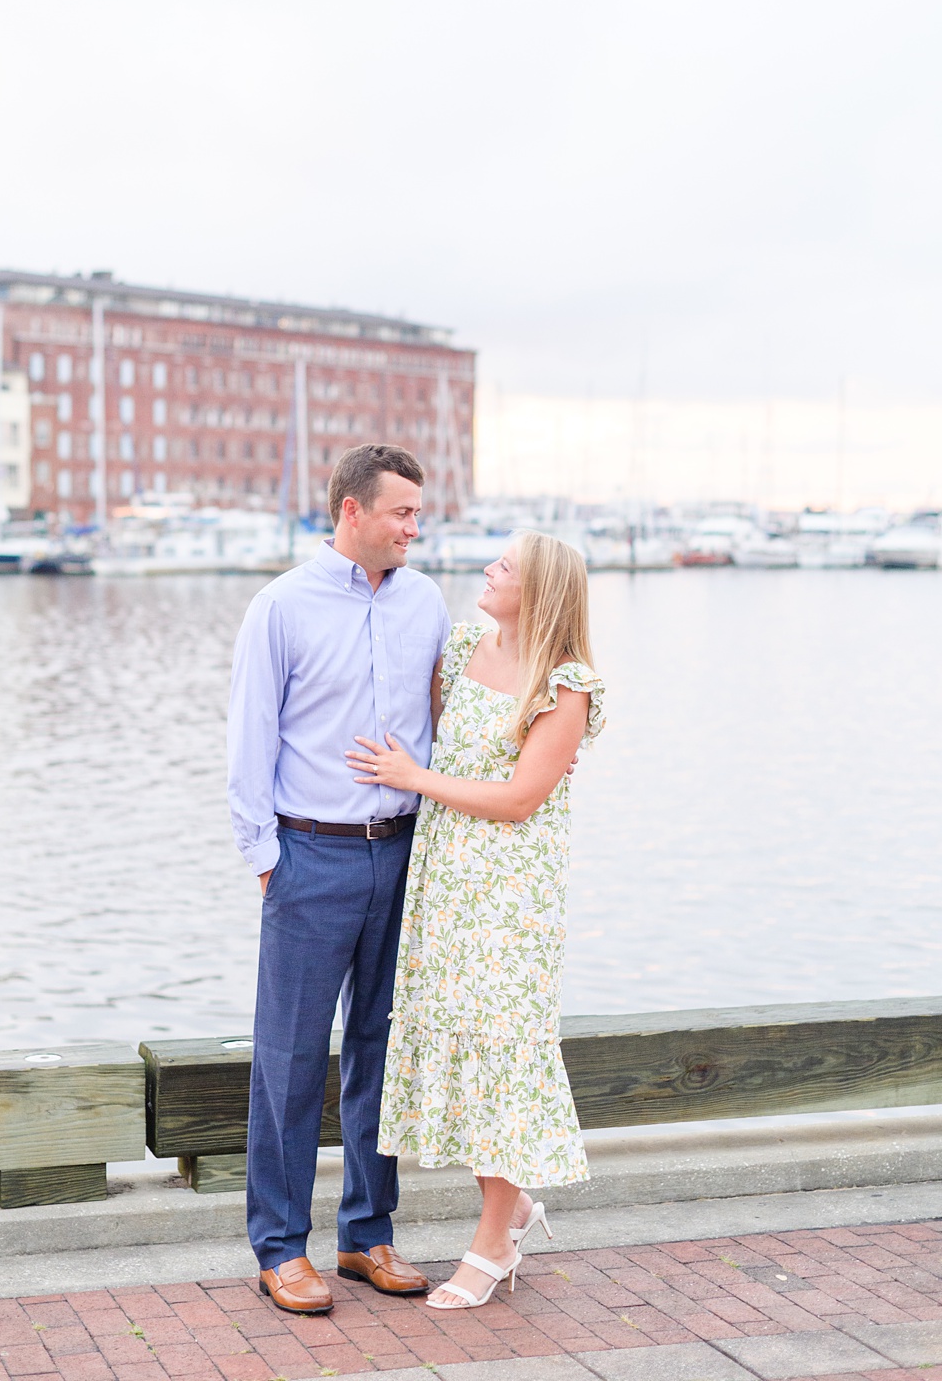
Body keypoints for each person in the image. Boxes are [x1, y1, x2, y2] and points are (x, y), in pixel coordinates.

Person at [348, 529, 605, 1310]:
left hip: (512, 901)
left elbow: (523, 797)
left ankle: (493, 1243)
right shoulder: (462, 650)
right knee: (458, 1042)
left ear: (540, 591)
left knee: (503, 1052)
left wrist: (413, 778)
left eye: (504, 567)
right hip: (445, 886)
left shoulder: (565, 684)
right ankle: (513, 1205)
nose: (487, 573)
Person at [226, 443, 450, 1315]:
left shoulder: (426, 600)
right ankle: (280, 1248)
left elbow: (446, 712)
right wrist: (266, 861)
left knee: (382, 1048)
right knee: (288, 1059)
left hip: (403, 852)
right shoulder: (280, 607)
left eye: (419, 513)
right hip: (308, 854)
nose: (414, 527)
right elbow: (251, 738)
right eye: (401, 512)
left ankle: (367, 1234)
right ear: (351, 512)